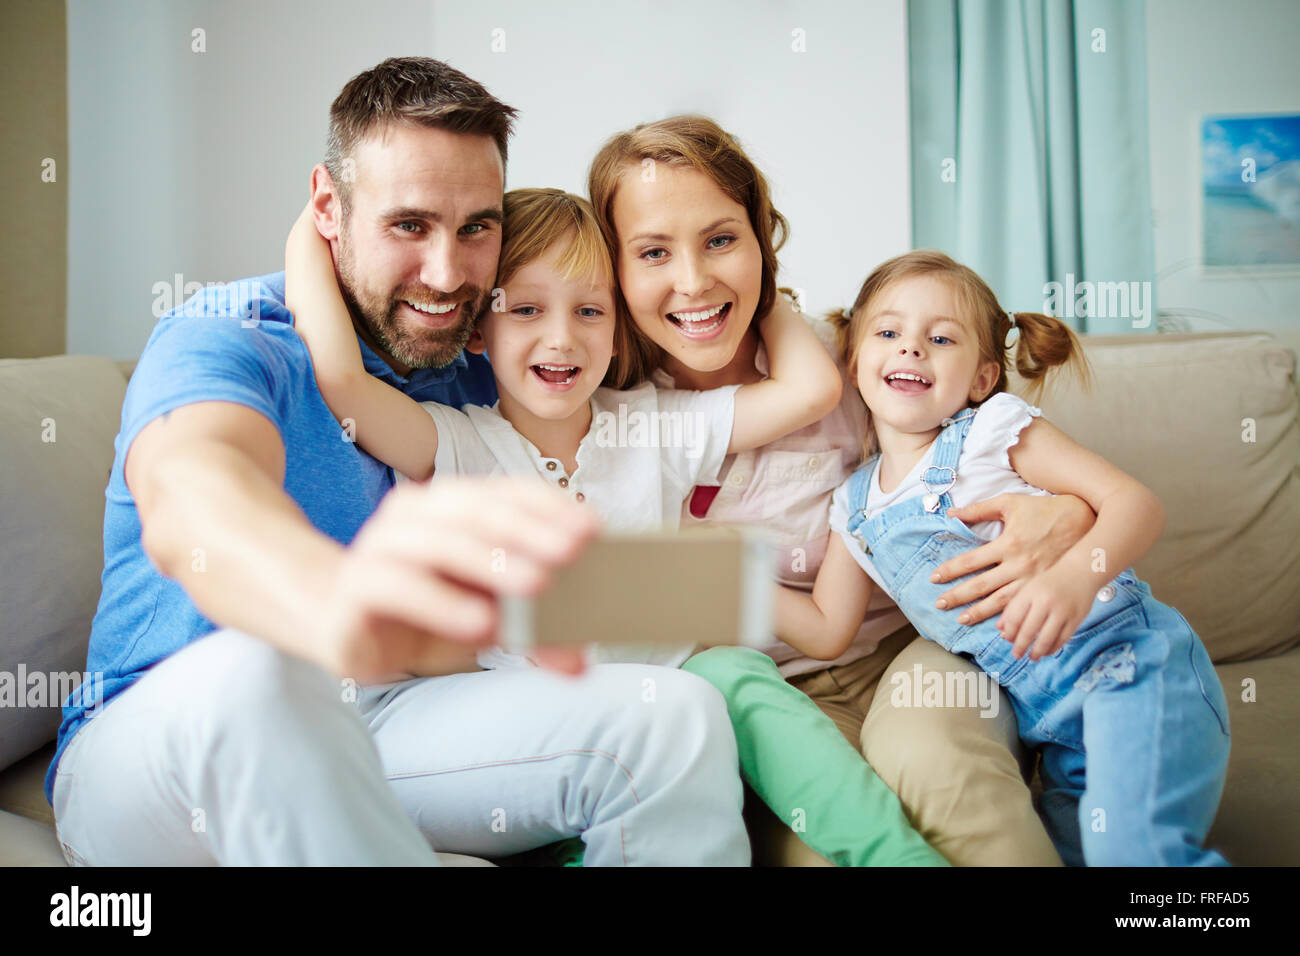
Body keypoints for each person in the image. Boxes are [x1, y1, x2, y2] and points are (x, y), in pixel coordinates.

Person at [46, 57, 752, 866]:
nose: (448, 274)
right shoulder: (229, 337)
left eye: (476, 227)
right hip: (166, 744)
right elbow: (194, 497)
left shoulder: (489, 358)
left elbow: (679, 352)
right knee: (259, 677)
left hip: (389, 717)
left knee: (677, 718)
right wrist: (333, 598)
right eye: (409, 225)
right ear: (329, 209)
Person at [287, 185, 946, 866]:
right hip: (533, 726)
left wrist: (756, 286)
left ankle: (898, 858)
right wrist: (314, 230)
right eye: (528, 309)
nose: (561, 337)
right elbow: (341, 381)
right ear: (480, 330)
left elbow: (811, 390)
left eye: (590, 311)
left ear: (619, 327)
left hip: (663, 711)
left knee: (736, 678)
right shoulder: (455, 442)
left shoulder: (652, 423)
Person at [588, 115, 1098, 865]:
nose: (694, 281)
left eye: (723, 239)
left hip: (906, 652)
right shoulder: (608, 417)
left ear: (762, 241)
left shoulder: (861, 358)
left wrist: (1065, 513)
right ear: (614, 269)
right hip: (766, 705)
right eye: (653, 251)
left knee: (941, 769)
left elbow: (1017, 460)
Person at [776, 249, 1231, 866]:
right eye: (888, 332)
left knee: (1138, 855)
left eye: (939, 337)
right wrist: (727, 580)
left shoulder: (992, 433)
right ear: (855, 361)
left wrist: (1075, 575)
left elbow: (1134, 503)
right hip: (1049, 727)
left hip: (1131, 670)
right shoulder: (853, 508)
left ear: (983, 378)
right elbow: (829, 630)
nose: (910, 348)